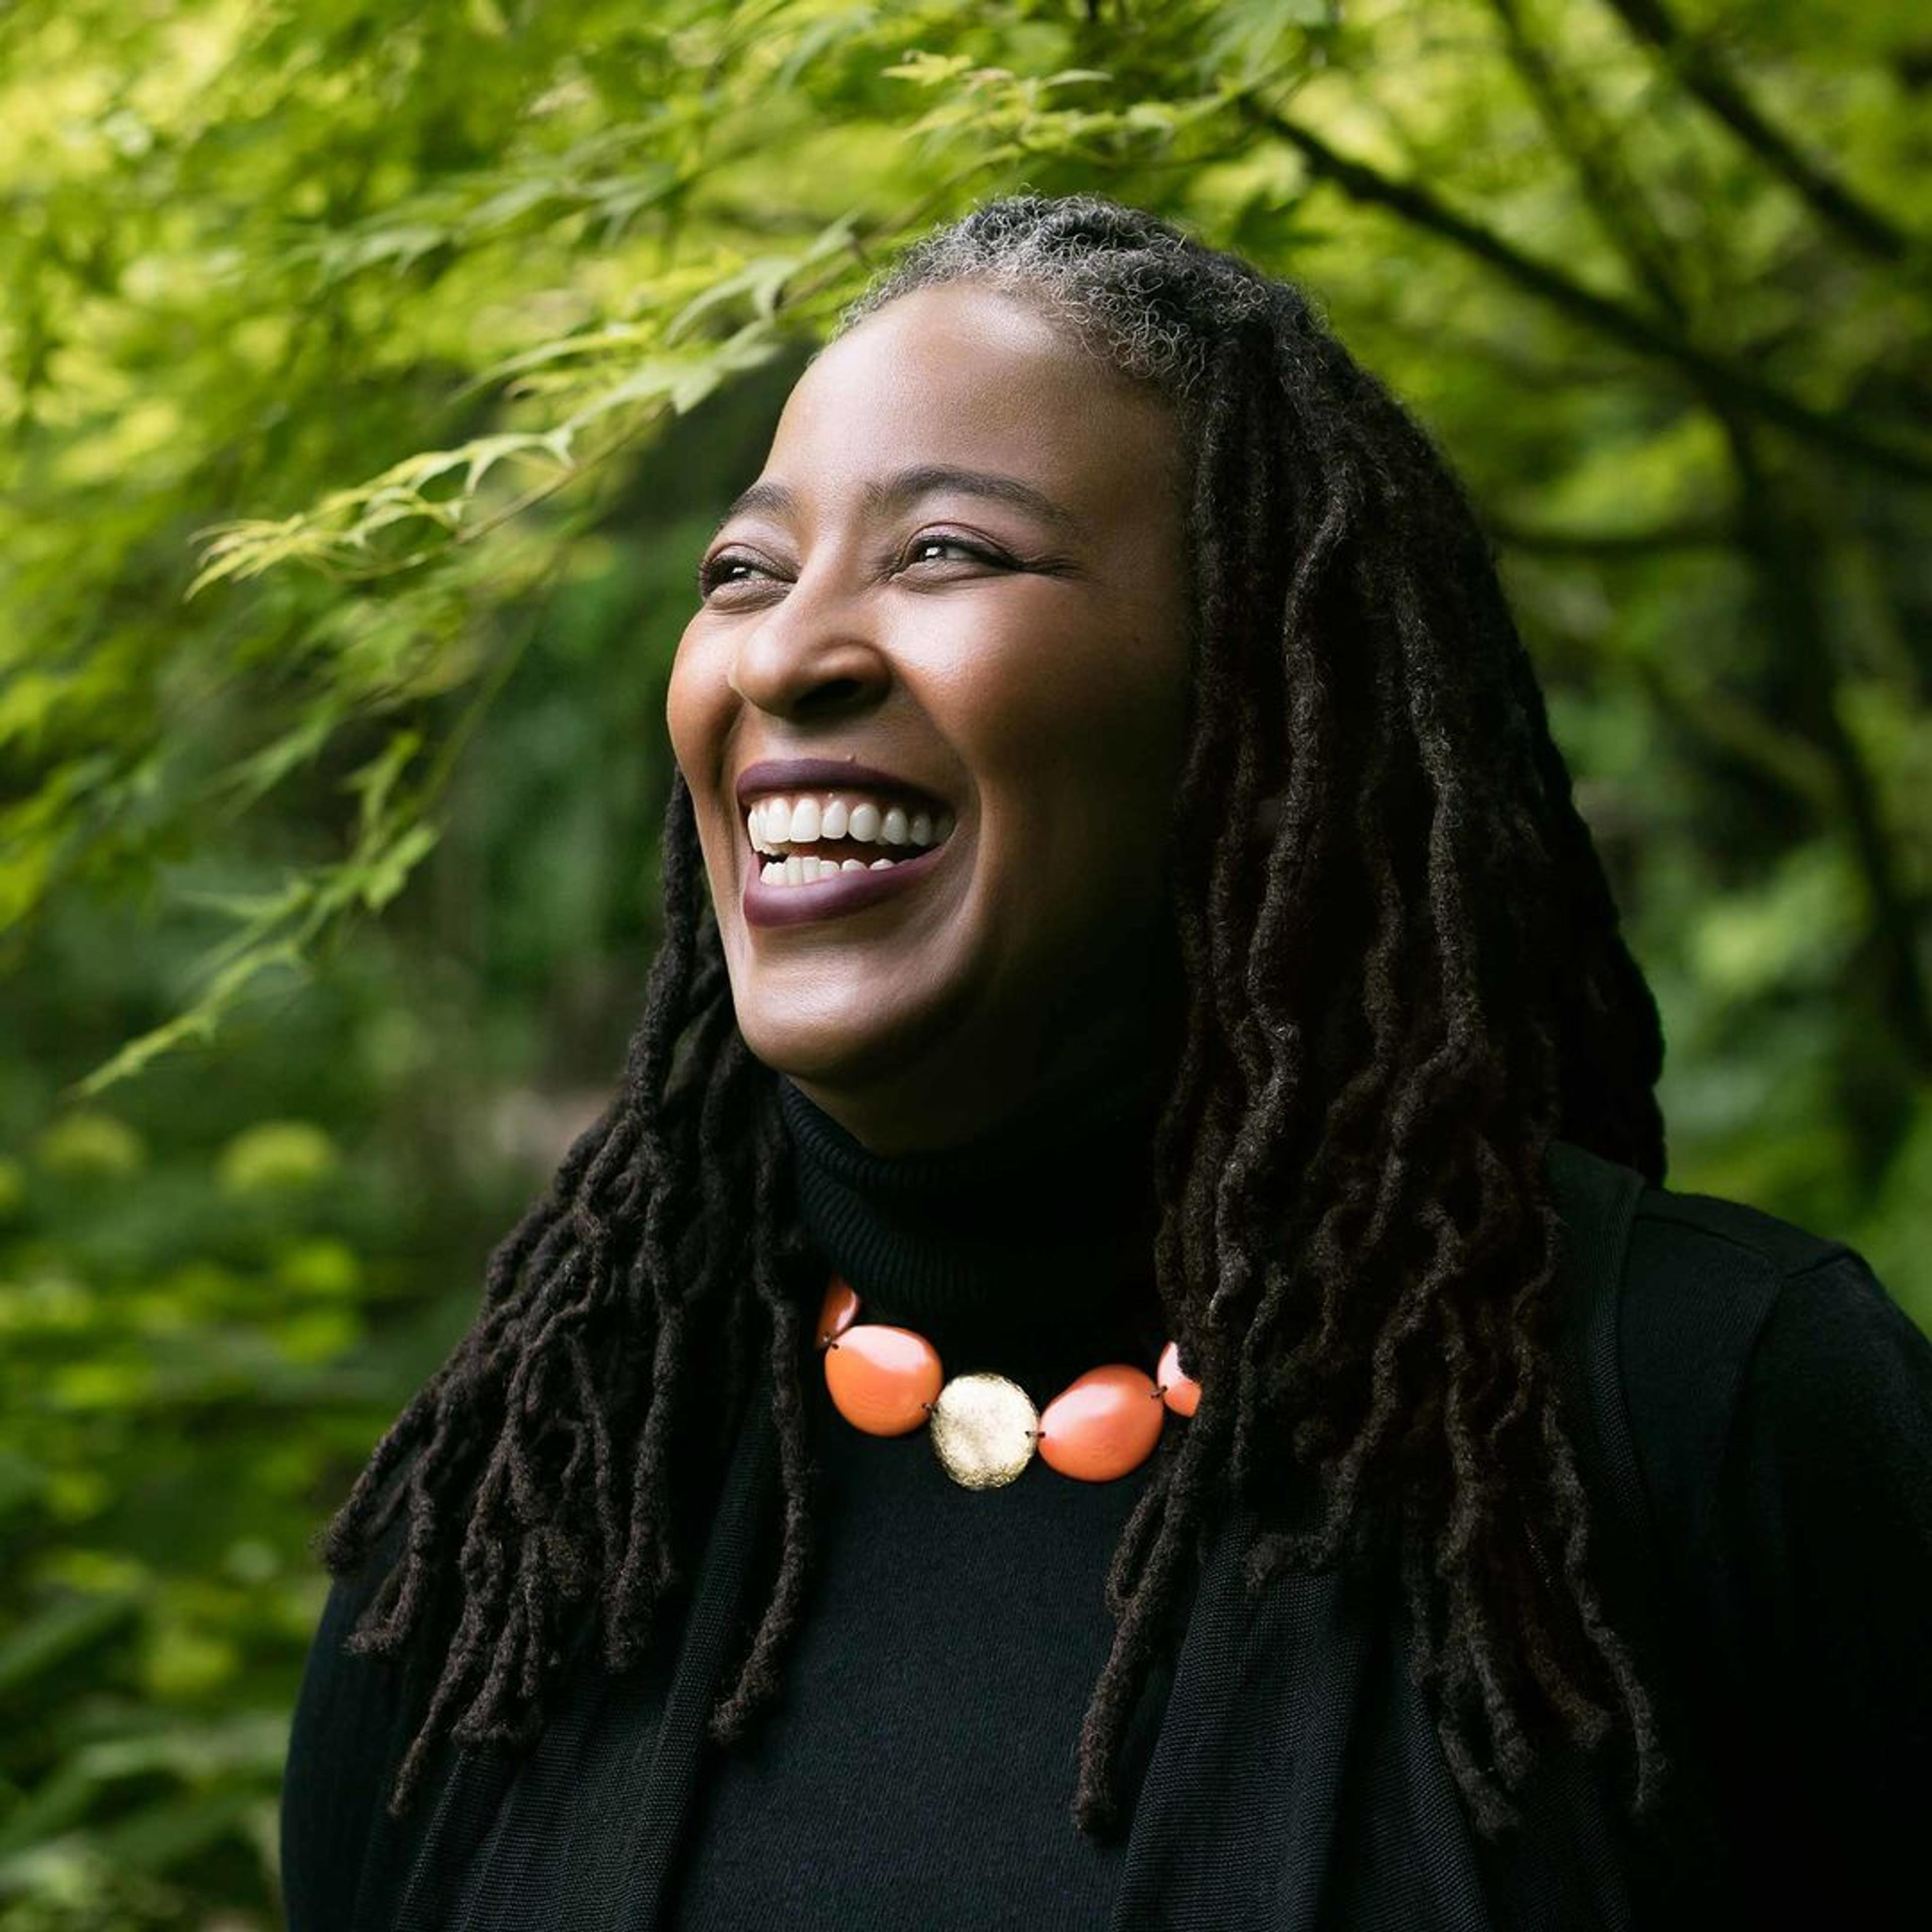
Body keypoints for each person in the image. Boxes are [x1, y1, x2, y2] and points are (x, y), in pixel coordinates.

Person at [279, 194, 1932, 1929]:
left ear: (1257, 688)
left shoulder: (1711, 1418)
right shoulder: (515, 1528)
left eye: (945, 553)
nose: (786, 651)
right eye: (745, 573)